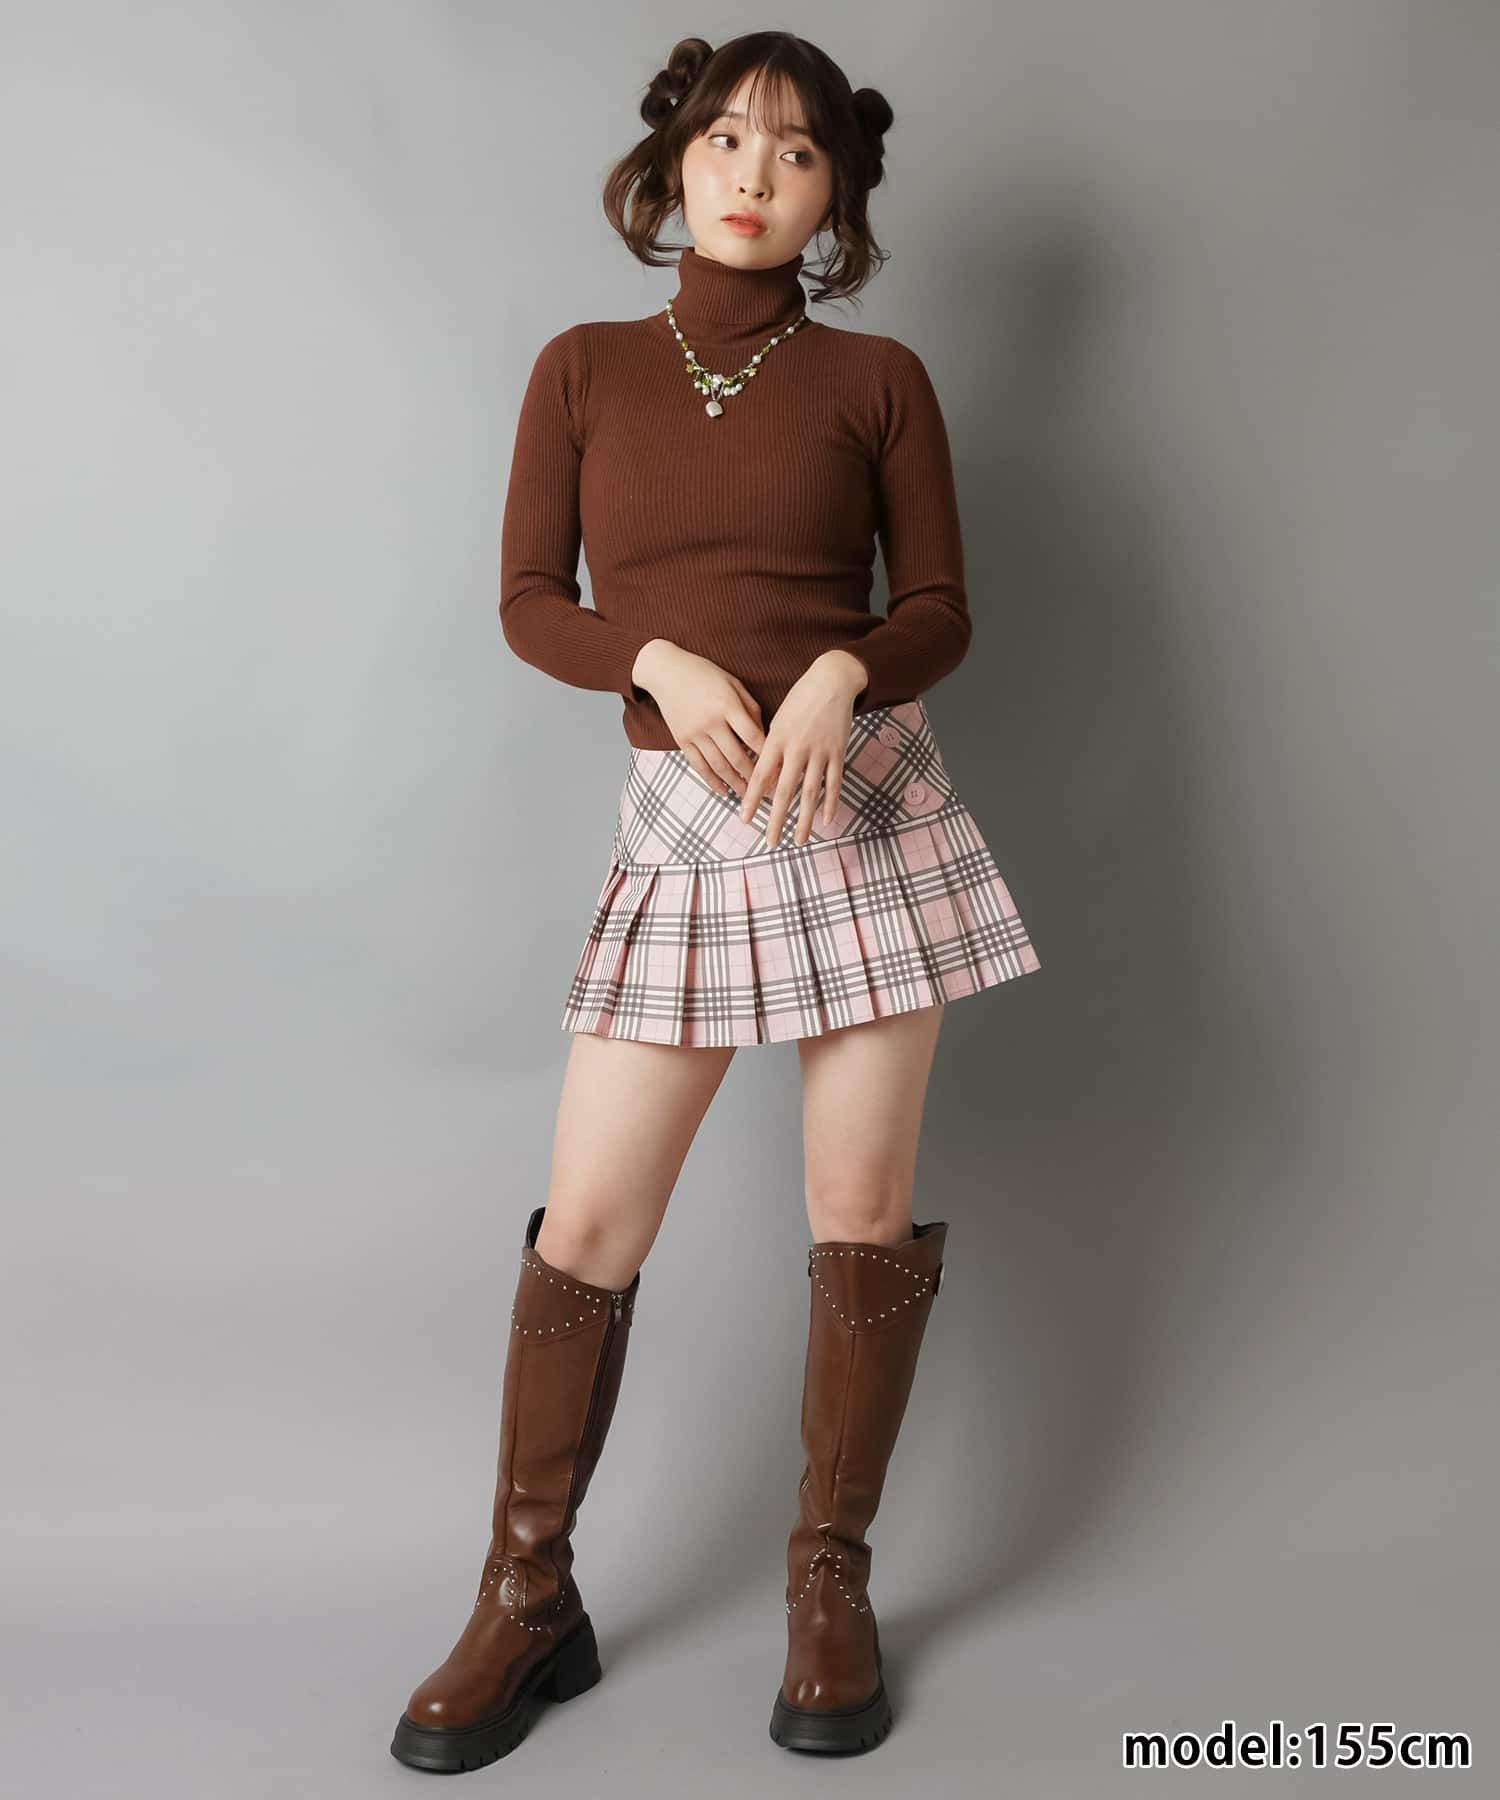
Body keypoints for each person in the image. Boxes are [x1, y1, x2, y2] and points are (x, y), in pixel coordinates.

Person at [389, 30, 1041, 1772]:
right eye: (730, 138)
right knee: (590, 1227)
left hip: (867, 810)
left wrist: (848, 666)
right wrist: (656, 657)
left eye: (800, 152)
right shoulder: (584, 367)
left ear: (838, 197)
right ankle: (529, 1595)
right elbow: (530, 600)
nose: (757, 173)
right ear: (674, 161)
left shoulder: (879, 377)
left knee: (860, 1211)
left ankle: (830, 1585)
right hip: (687, 825)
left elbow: (942, 607)